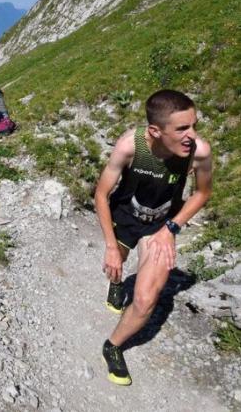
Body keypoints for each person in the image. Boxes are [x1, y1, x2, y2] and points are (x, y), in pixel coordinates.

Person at [94, 89, 212, 386]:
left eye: (194, 125)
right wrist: (110, 246)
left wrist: (171, 229)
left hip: (160, 225)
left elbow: (202, 193)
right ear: (155, 131)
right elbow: (101, 193)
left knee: (146, 300)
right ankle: (118, 283)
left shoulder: (199, 152)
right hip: (124, 216)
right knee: (116, 264)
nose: (192, 135)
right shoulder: (129, 146)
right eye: (182, 128)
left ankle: (114, 345)